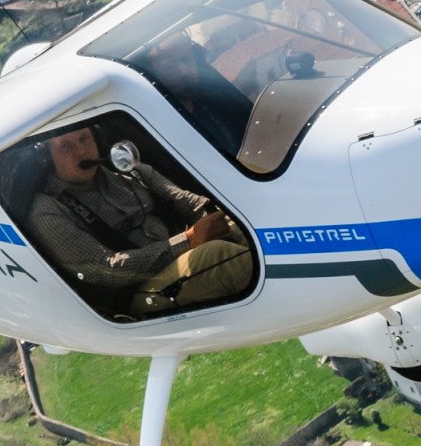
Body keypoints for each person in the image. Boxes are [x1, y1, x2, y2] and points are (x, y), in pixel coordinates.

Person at [26, 125, 254, 318]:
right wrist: (188, 240)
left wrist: (226, 216)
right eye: (65, 147)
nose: (81, 151)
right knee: (219, 254)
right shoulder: (46, 210)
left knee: (243, 230)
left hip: (181, 253)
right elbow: (107, 269)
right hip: (137, 291)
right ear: (47, 159)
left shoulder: (128, 171)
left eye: (84, 139)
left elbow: (188, 202)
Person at [144, 33, 255, 159]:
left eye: (187, 59)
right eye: (169, 67)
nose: (185, 71)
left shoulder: (219, 100)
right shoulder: (162, 135)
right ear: (151, 76)